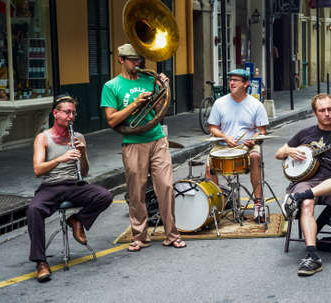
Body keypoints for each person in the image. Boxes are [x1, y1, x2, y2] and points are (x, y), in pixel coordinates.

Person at [100, 43, 185, 252]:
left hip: (157, 138)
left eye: (139, 60)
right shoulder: (112, 86)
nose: (137, 64)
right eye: (133, 60)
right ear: (121, 60)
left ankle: (172, 234)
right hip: (133, 143)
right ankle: (140, 236)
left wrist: (161, 90)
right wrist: (135, 104)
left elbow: (159, 112)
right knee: (136, 192)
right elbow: (112, 120)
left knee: (166, 186)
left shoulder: (149, 80)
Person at [27, 94, 113, 282]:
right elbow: (37, 170)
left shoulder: (79, 136)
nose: (71, 117)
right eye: (67, 112)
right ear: (55, 113)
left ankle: (76, 220)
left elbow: (85, 171)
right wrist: (60, 159)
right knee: (34, 210)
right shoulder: (43, 138)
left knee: (104, 195)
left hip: (74, 184)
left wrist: (82, 153)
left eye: (73, 113)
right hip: (51, 186)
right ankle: (41, 262)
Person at [275, 93, 331, 277]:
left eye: (330, 109)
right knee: (307, 202)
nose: (327, 113)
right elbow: (279, 153)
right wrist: (290, 150)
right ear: (315, 113)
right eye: (322, 110)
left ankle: (298, 198)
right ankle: (313, 256)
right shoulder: (305, 134)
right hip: (305, 181)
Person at [206, 69, 269, 222]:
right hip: (223, 144)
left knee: (255, 157)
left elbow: (262, 131)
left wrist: (254, 140)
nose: (232, 83)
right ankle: (217, 205)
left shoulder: (256, 105)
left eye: (236, 80)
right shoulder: (219, 103)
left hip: (246, 146)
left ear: (246, 83)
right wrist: (225, 137)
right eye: (230, 80)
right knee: (209, 165)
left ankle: (258, 205)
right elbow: (212, 127)